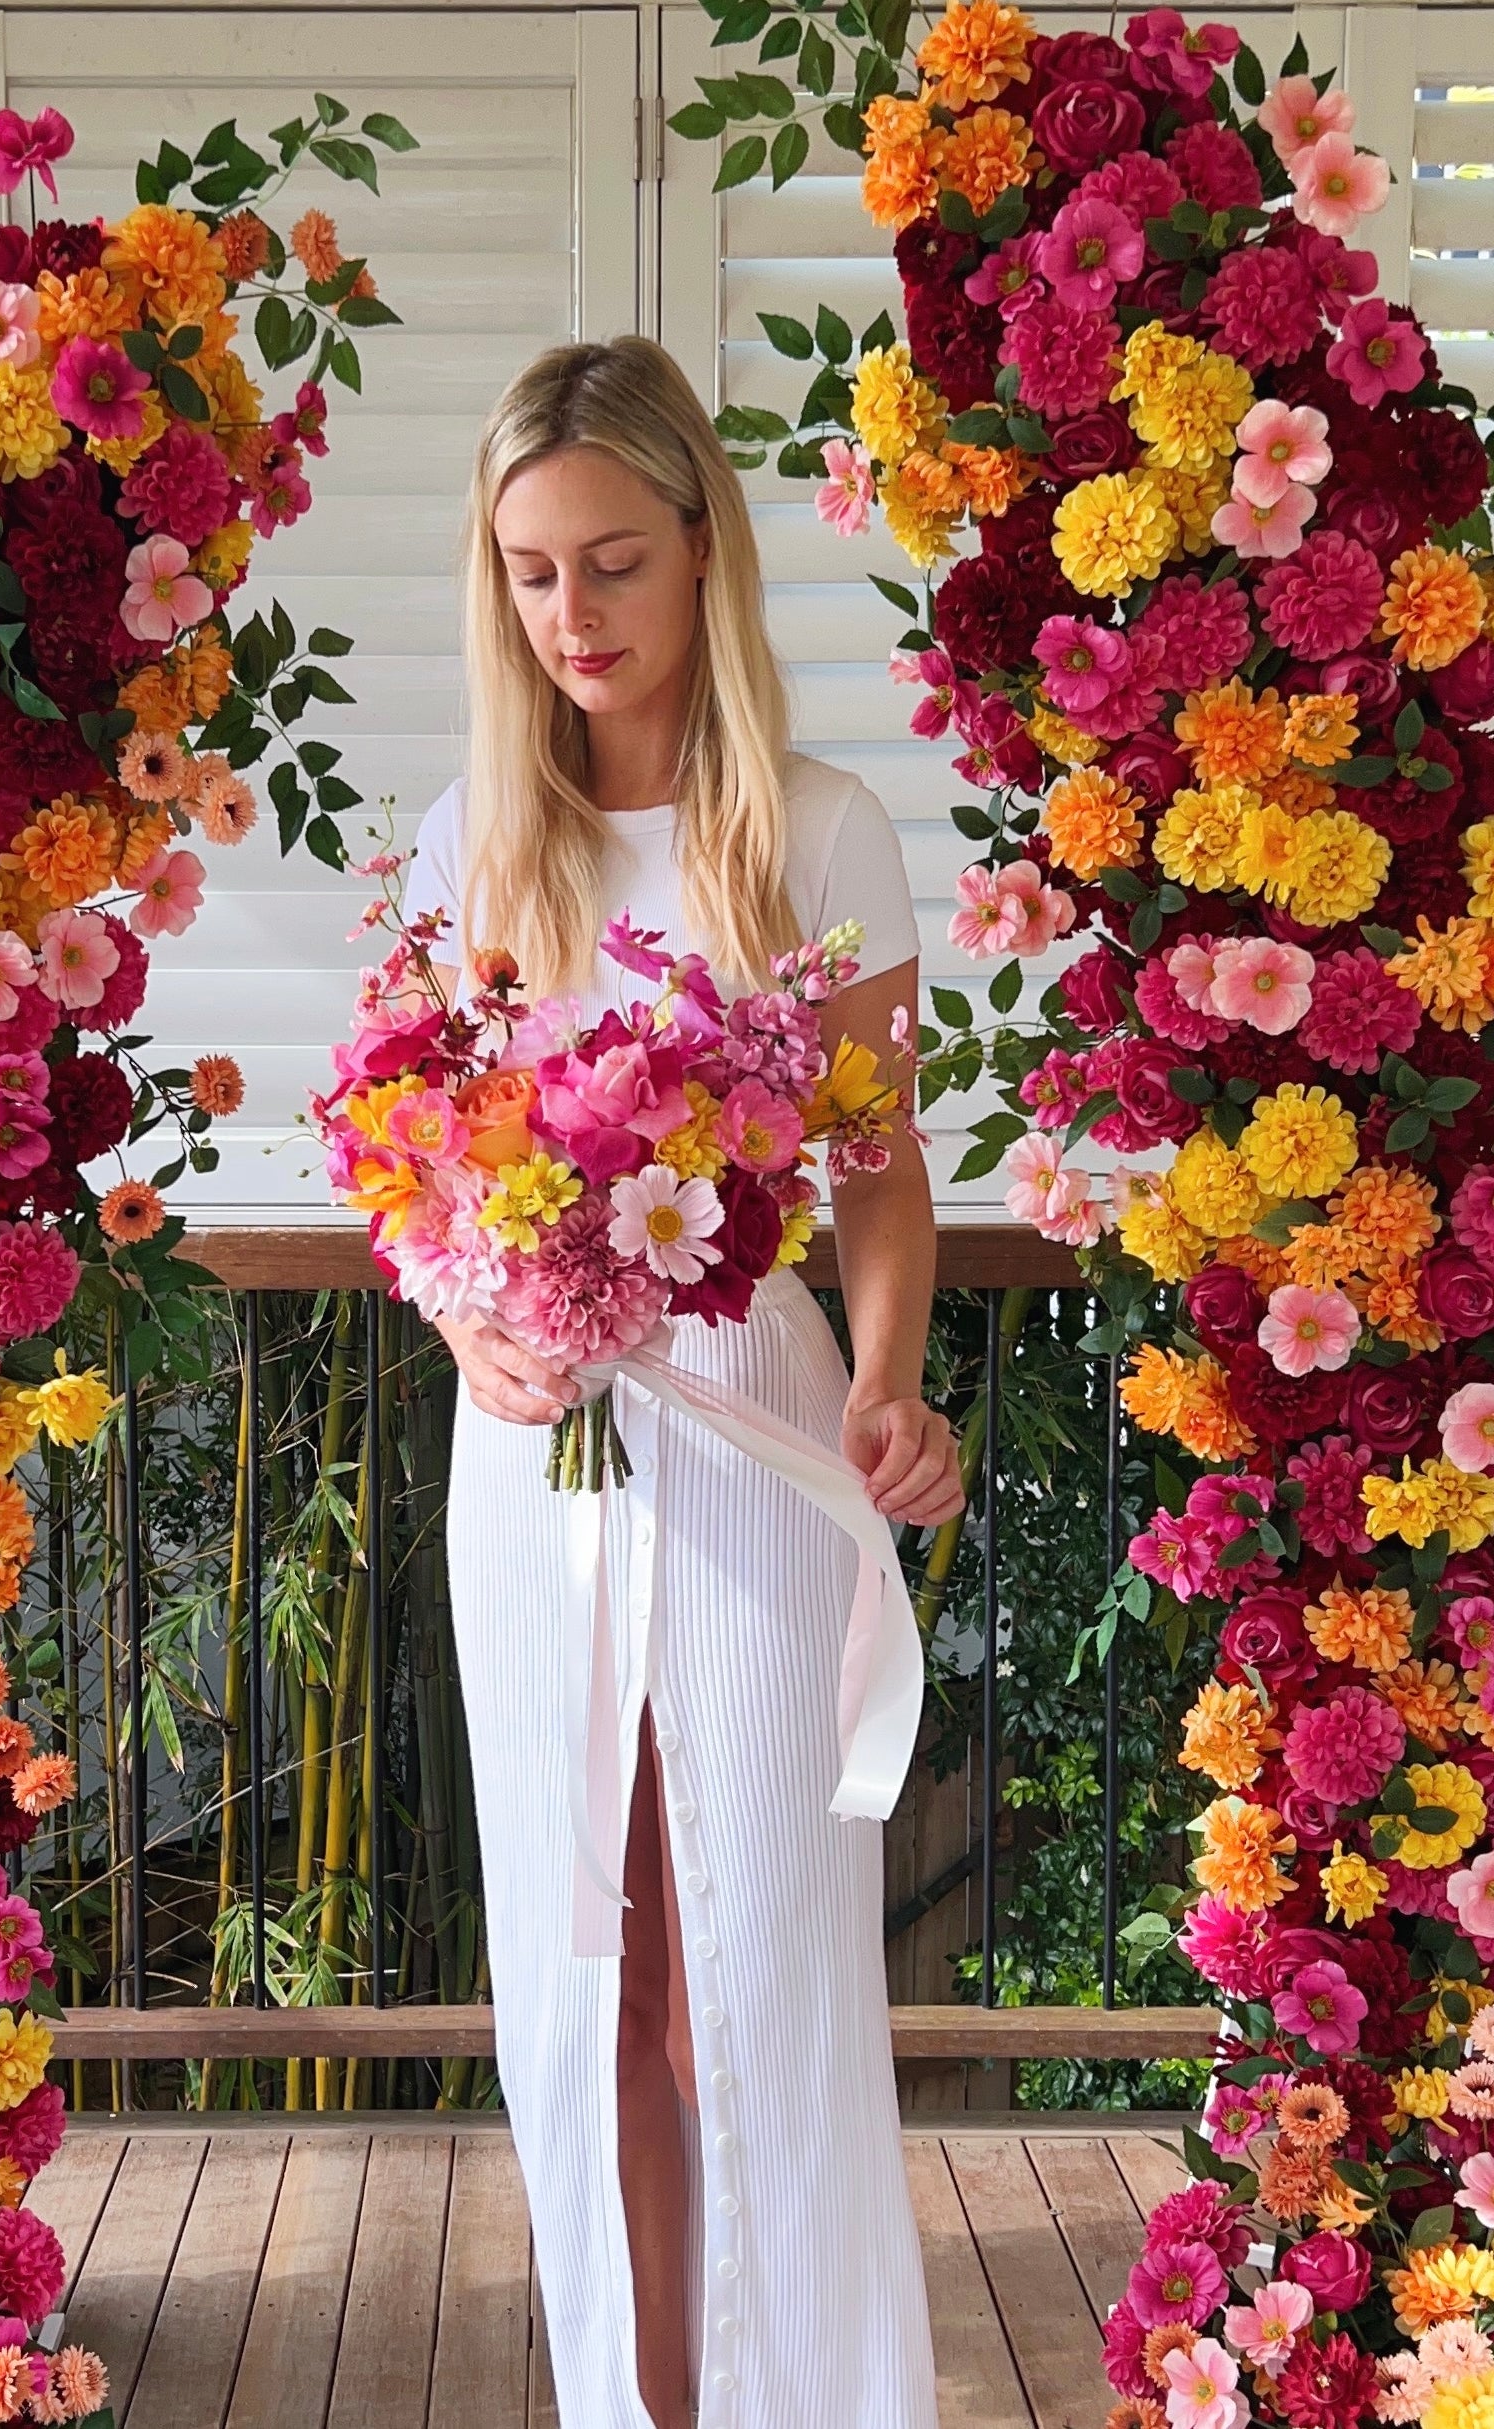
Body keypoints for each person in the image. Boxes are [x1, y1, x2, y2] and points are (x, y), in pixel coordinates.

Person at [399, 334, 960, 2427]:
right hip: (534, 1453)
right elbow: (424, 1173)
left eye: (614, 564)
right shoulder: (478, 836)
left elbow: (883, 1185)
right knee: (587, 1981)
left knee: (749, 1980)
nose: (576, 620)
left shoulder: (820, 834)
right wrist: (466, 1312)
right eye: (532, 576)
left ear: (705, 551)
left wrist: (891, 1391)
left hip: (748, 1426)